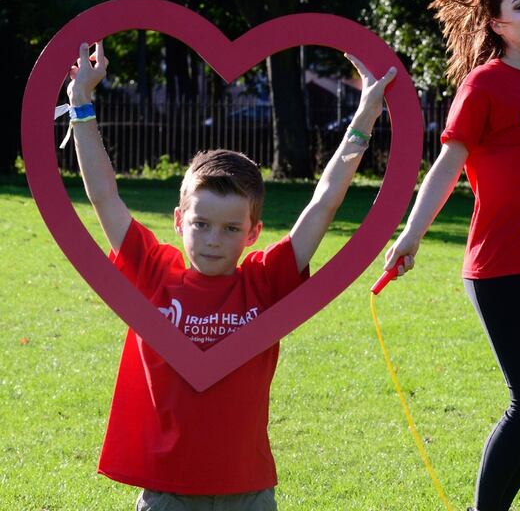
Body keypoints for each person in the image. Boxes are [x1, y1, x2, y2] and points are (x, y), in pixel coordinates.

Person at [66, 40, 395, 510]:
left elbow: (324, 201)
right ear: (179, 220)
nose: (212, 239)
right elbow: (103, 194)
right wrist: (81, 103)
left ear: (253, 232)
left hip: (249, 489)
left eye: (230, 228)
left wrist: (364, 117)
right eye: (200, 224)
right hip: (168, 491)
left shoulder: (266, 280)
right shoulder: (153, 270)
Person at [382, 0, 520, 511]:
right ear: (495, 21)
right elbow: (447, 165)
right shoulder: (485, 84)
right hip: (501, 267)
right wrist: (411, 236)